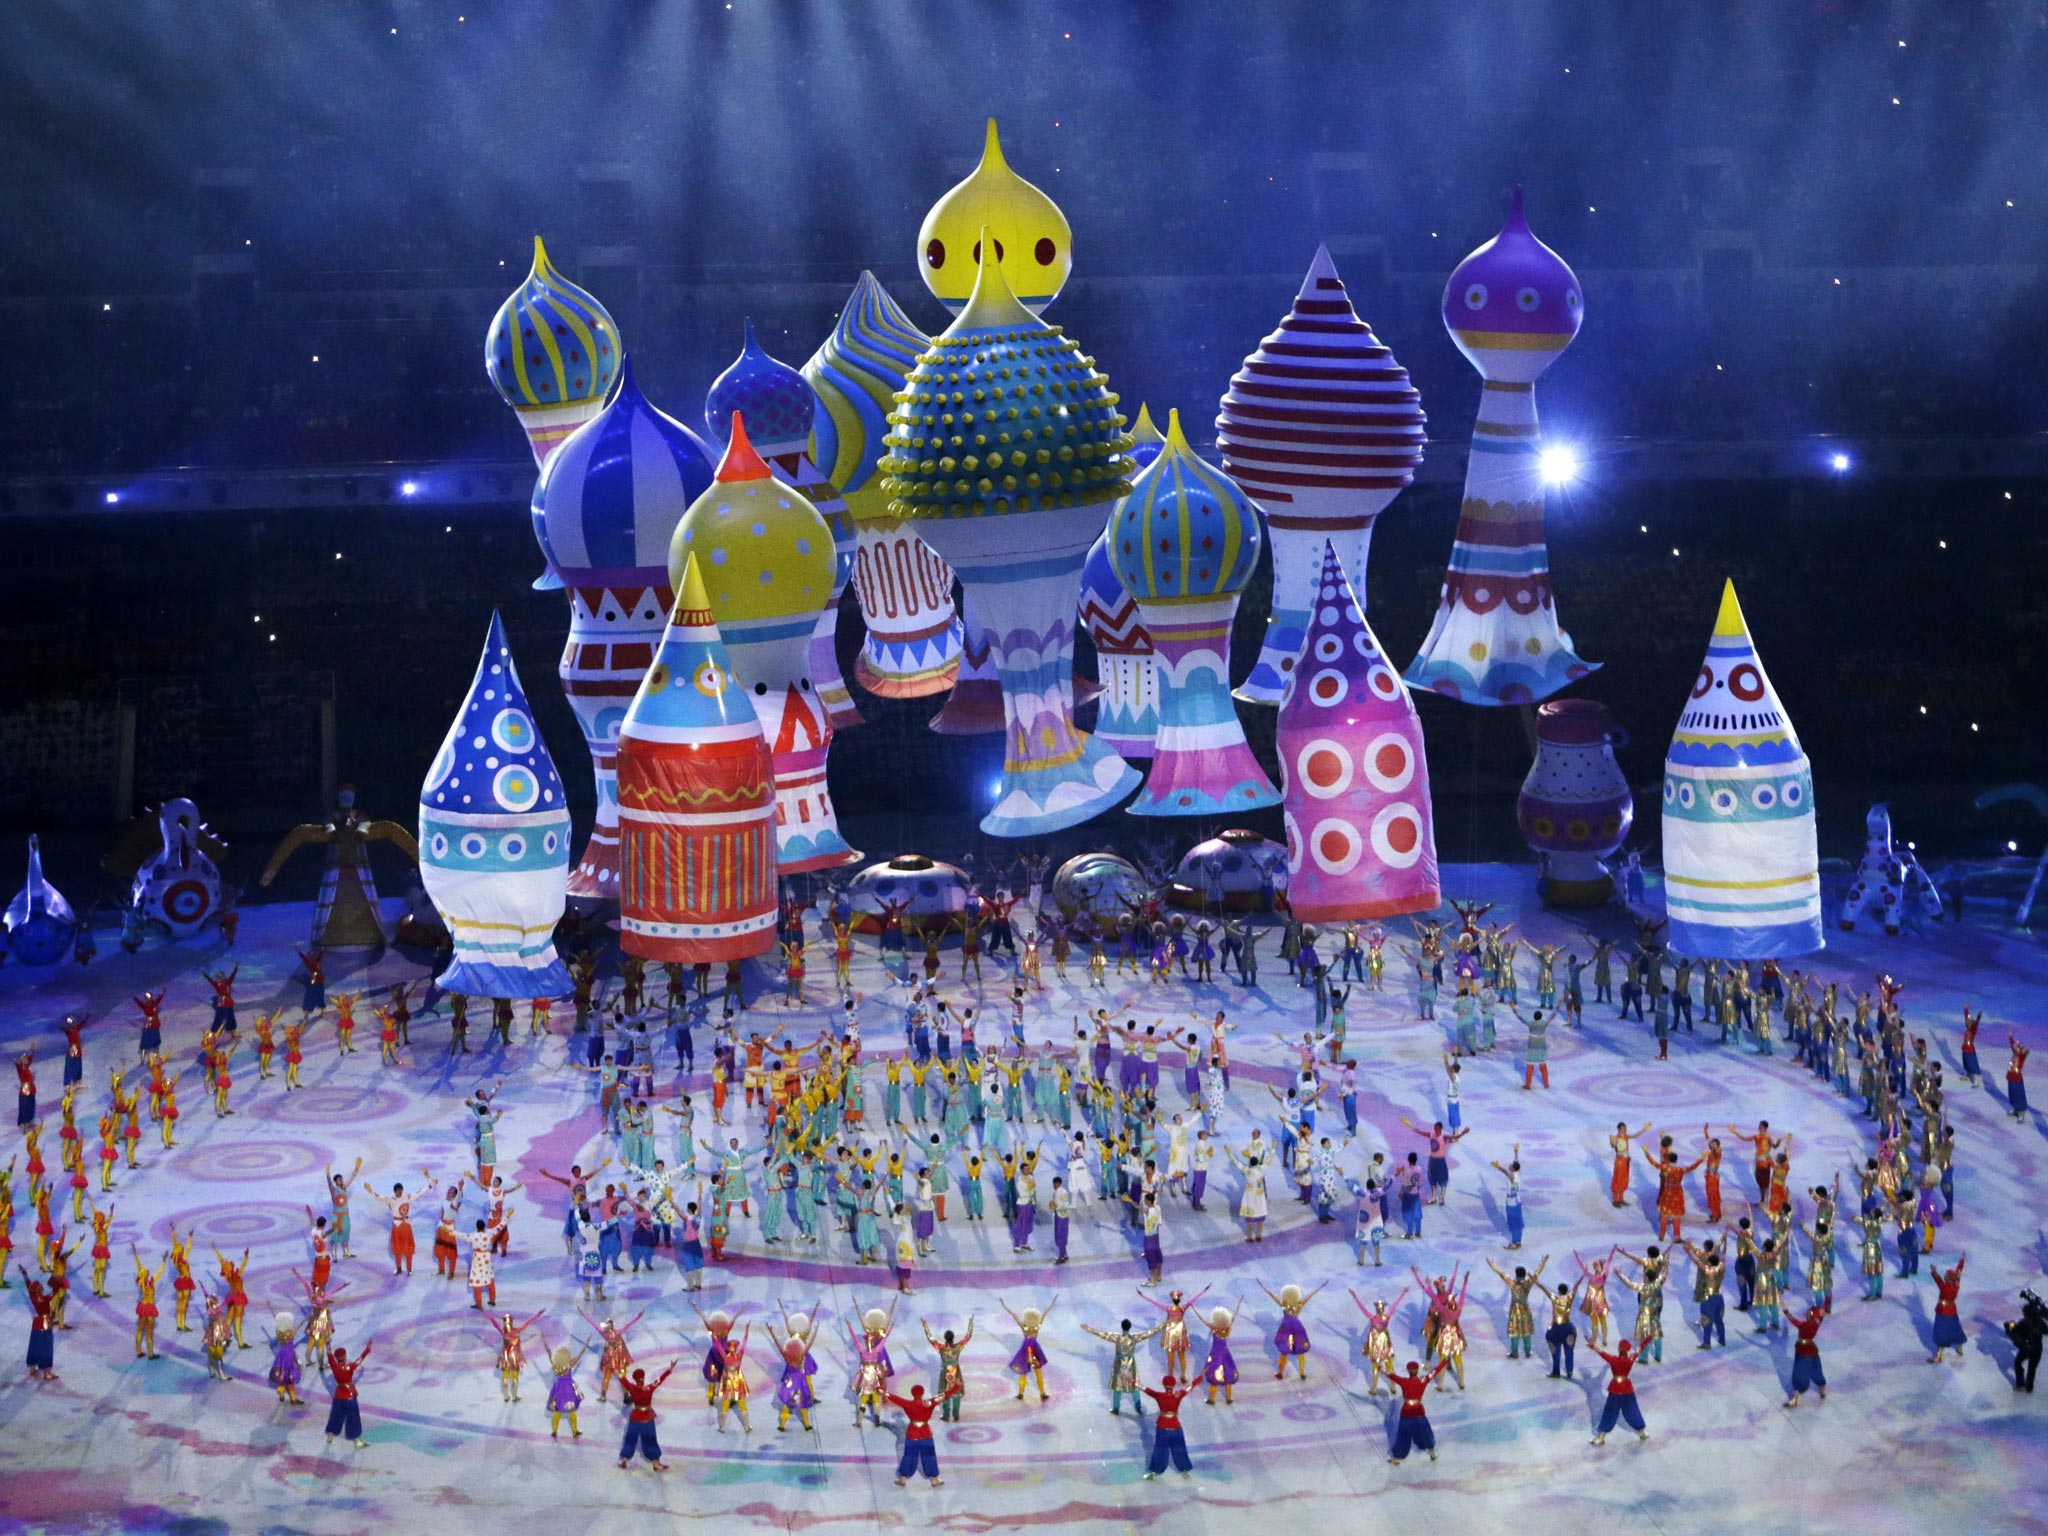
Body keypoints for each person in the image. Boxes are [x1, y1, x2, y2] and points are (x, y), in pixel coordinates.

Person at [887, 1382, 959, 1487]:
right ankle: (934, 1479)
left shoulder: (908, 1404)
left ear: (912, 1394)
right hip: (926, 1433)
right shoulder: (929, 1403)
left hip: (912, 1433)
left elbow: (894, 1398)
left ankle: (903, 1478)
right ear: (922, 1393)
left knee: (909, 1456)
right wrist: (957, 1387)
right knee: (929, 1456)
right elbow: (944, 1396)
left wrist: (882, 1392)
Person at [616, 1362, 677, 1470]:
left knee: (630, 1439)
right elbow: (660, 1380)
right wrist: (670, 1368)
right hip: (647, 1419)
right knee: (651, 1441)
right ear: (643, 1379)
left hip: (635, 1418)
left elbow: (622, 1379)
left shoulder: (632, 1388)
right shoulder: (649, 1388)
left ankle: (624, 1460)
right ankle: (656, 1463)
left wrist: (614, 1370)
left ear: (635, 1380)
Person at [1387, 1358, 1449, 1463]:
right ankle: (1432, 1452)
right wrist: (1444, 1361)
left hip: (1406, 1412)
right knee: (1425, 1432)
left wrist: (1380, 1368)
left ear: (1408, 1371)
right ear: (1417, 1371)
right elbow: (1435, 1371)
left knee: (1403, 1435)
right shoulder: (1423, 1380)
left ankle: (1397, 1458)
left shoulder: (1404, 1382)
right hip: (1419, 1411)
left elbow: (1391, 1375)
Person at [1589, 1338, 1648, 1445]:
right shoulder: (1631, 1358)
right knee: (1633, 1410)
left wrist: (1593, 1346)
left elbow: (1602, 1353)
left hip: (1615, 1390)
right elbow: (1641, 1347)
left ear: (1620, 1349)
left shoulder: (1614, 1360)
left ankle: (1601, 1438)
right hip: (1627, 1390)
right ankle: (1642, 1432)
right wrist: (1648, 1338)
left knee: (1609, 1413)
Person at [1141, 1374, 1194, 1479]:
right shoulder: (1179, 1395)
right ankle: (1184, 1471)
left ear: (1163, 1385)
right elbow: (1190, 1386)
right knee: (1179, 1449)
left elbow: (1146, 1389)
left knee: (1160, 1450)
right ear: (1174, 1385)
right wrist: (1200, 1377)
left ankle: (1154, 1473)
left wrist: (1133, 1382)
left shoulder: (1159, 1395)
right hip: (1176, 1427)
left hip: (1163, 1427)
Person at [325, 1340, 373, 1448]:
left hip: (339, 1395)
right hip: (350, 1396)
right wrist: (367, 1349)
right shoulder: (349, 1367)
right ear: (344, 1356)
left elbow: (329, 1355)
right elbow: (359, 1360)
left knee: (335, 1415)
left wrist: (328, 1344)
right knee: (353, 1417)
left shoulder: (334, 1366)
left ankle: (330, 1434)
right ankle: (356, 1439)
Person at [1784, 1303, 1829, 1407]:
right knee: (1817, 1371)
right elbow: (1821, 1314)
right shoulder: (1817, 1323)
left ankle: (1795, 1398)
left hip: (1802, 1352)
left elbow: (1792, 1319)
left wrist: (1785, 1310)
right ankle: (1822, 1393)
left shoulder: (1803, 1325)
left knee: (1799, 1374)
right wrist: (1823, 1311)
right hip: (1812, 1350)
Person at [2004, 1289, 2045, 1393]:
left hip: (2027, 1349)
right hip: (2038, 1349)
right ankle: (2029, 1388)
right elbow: (2046, 1331)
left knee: (2018, 1363)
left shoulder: (2023, 1323)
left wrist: (2009, 1326)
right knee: (2032, 1369)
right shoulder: (2039, 1321)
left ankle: (2020, 1384)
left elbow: (2013, 1332)